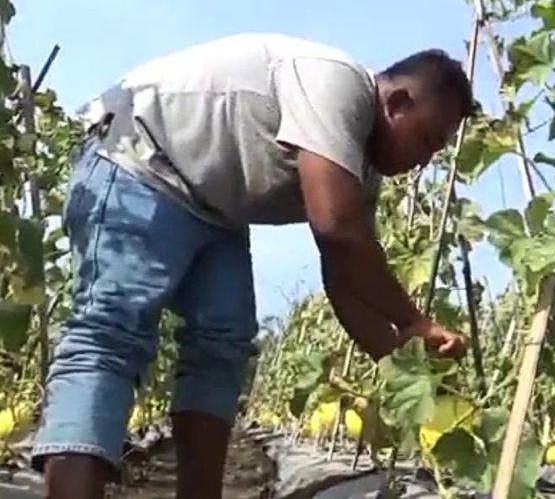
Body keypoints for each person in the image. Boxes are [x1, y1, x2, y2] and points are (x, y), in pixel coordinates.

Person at [31, 32, 473, 499]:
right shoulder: (338, 84)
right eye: (425, 140)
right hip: (137, 156)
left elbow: (344, 278)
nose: (423, 160)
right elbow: (338, 232)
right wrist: (414, 321)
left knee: (224, 344)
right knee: (112, 335)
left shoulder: (360, 173)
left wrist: (404, 364)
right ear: (398, 102)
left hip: (214, 208)